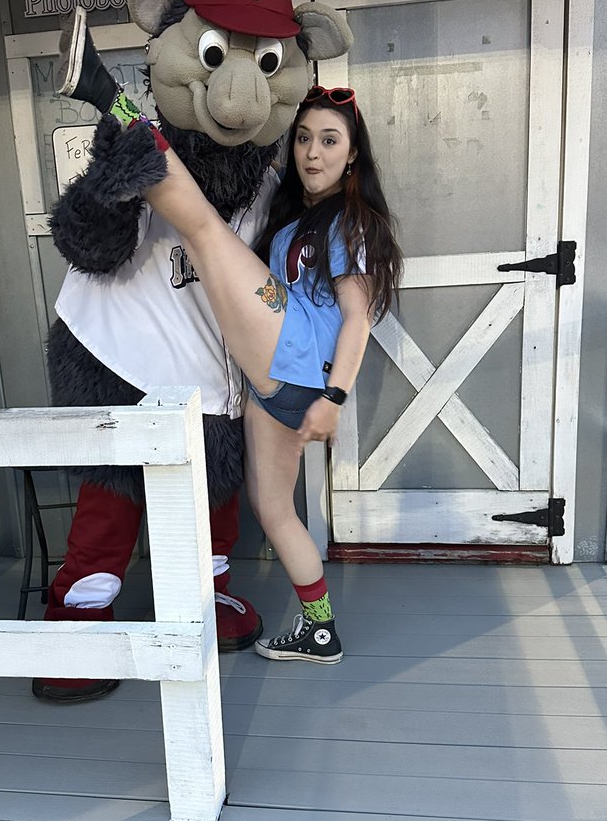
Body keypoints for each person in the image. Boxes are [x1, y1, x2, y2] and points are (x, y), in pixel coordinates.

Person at [83, 65, 402, 662]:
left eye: (330, 140)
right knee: (274, 510)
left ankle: (109, 99)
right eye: (303, 137)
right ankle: (320, 629)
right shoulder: (295, 215)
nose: (312, 151)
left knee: (202, 227)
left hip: (300, 364)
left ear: (354, 156)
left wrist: (335, 399)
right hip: (275, 384)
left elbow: (358, 319)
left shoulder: (350, 220)